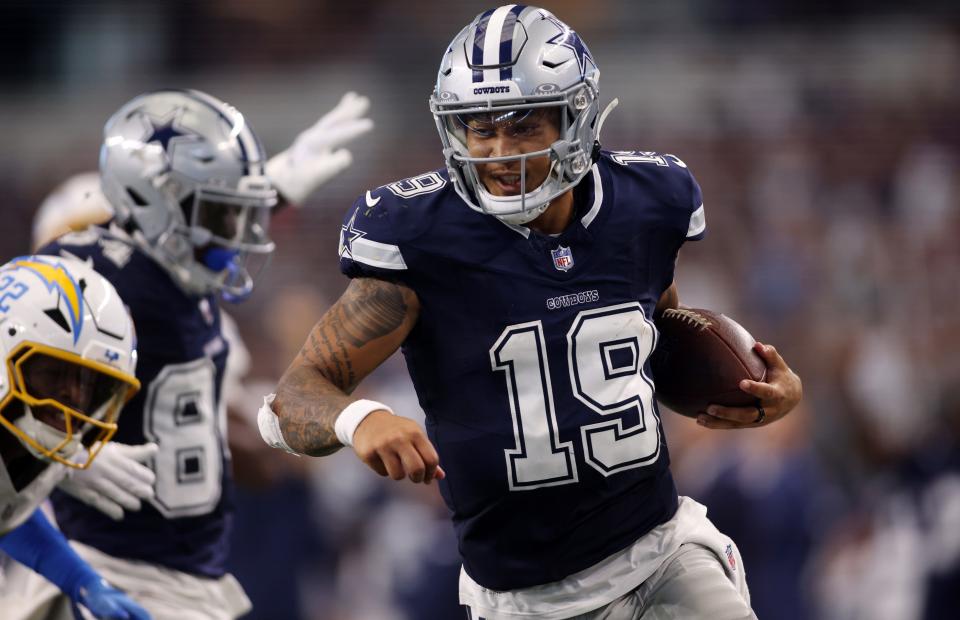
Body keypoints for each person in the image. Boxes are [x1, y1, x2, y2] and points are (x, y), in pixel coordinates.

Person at [259, 5, 802, 619]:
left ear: (576, 120)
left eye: (521, 128)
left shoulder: (643, 207)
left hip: (660, 552)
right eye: (478, 129)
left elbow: (654, 328)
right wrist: (359, 419)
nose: (497, 153)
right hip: (527, 601)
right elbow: (292, 399)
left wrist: (751, 380)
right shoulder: (420, 239)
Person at [6, 88, 370, 620]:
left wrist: (270, 189)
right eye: (222, 214)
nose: (240, 236)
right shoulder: (92, 271)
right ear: (153, 203)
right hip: (115, 563)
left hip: (192, 576)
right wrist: (53, 448)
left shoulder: (171, 266)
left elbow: (182, 239)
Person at [0, 255, 148, 619]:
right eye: (54, 373)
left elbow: (9, 513)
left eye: (88, 385)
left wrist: (84, 582)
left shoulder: (20, 442)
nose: (73, 399)